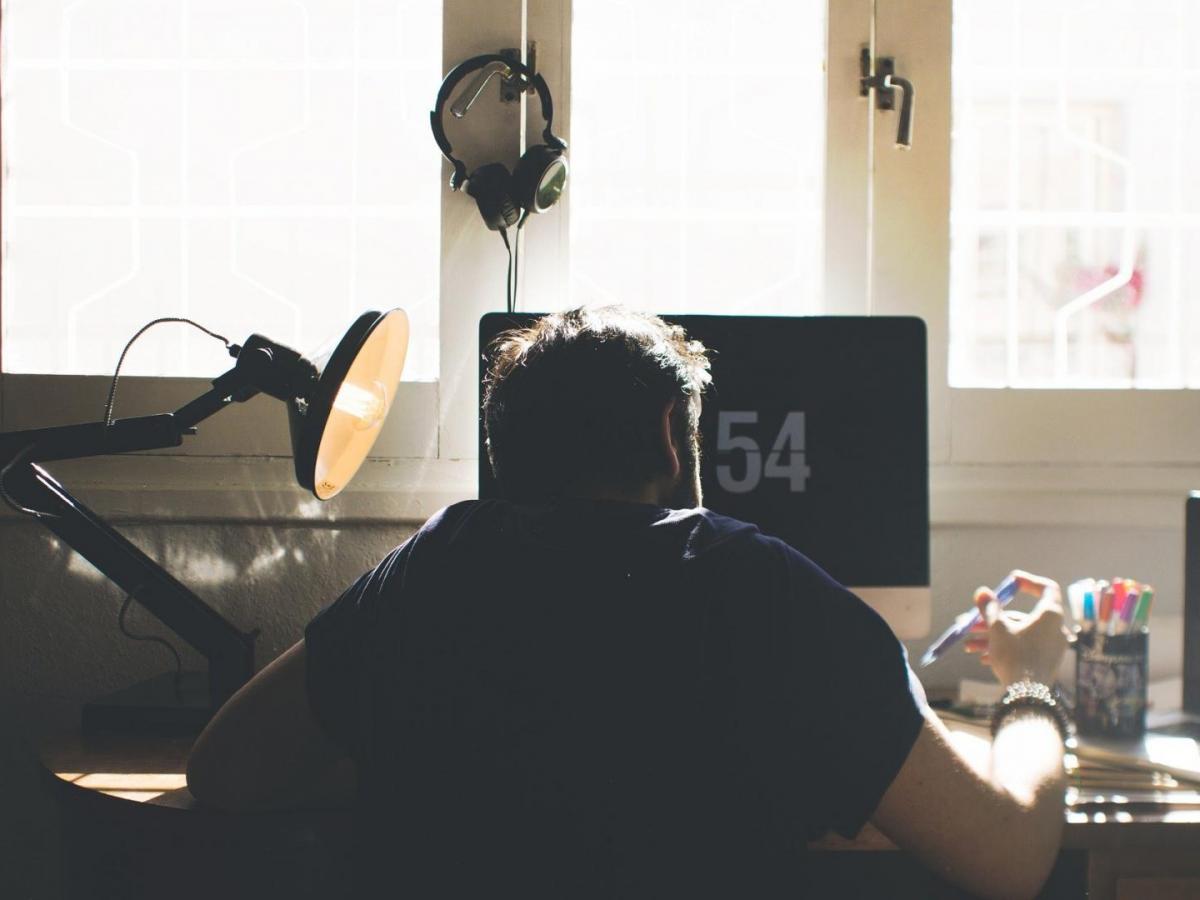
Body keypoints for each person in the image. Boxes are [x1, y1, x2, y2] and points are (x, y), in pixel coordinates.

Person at [187, 306, 1069, 899]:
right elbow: (1012, 859)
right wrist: (1029, 685)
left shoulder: (436, 566)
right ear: (669, 438)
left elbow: (223, 773)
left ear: (505, 453)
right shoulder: (766, 587)